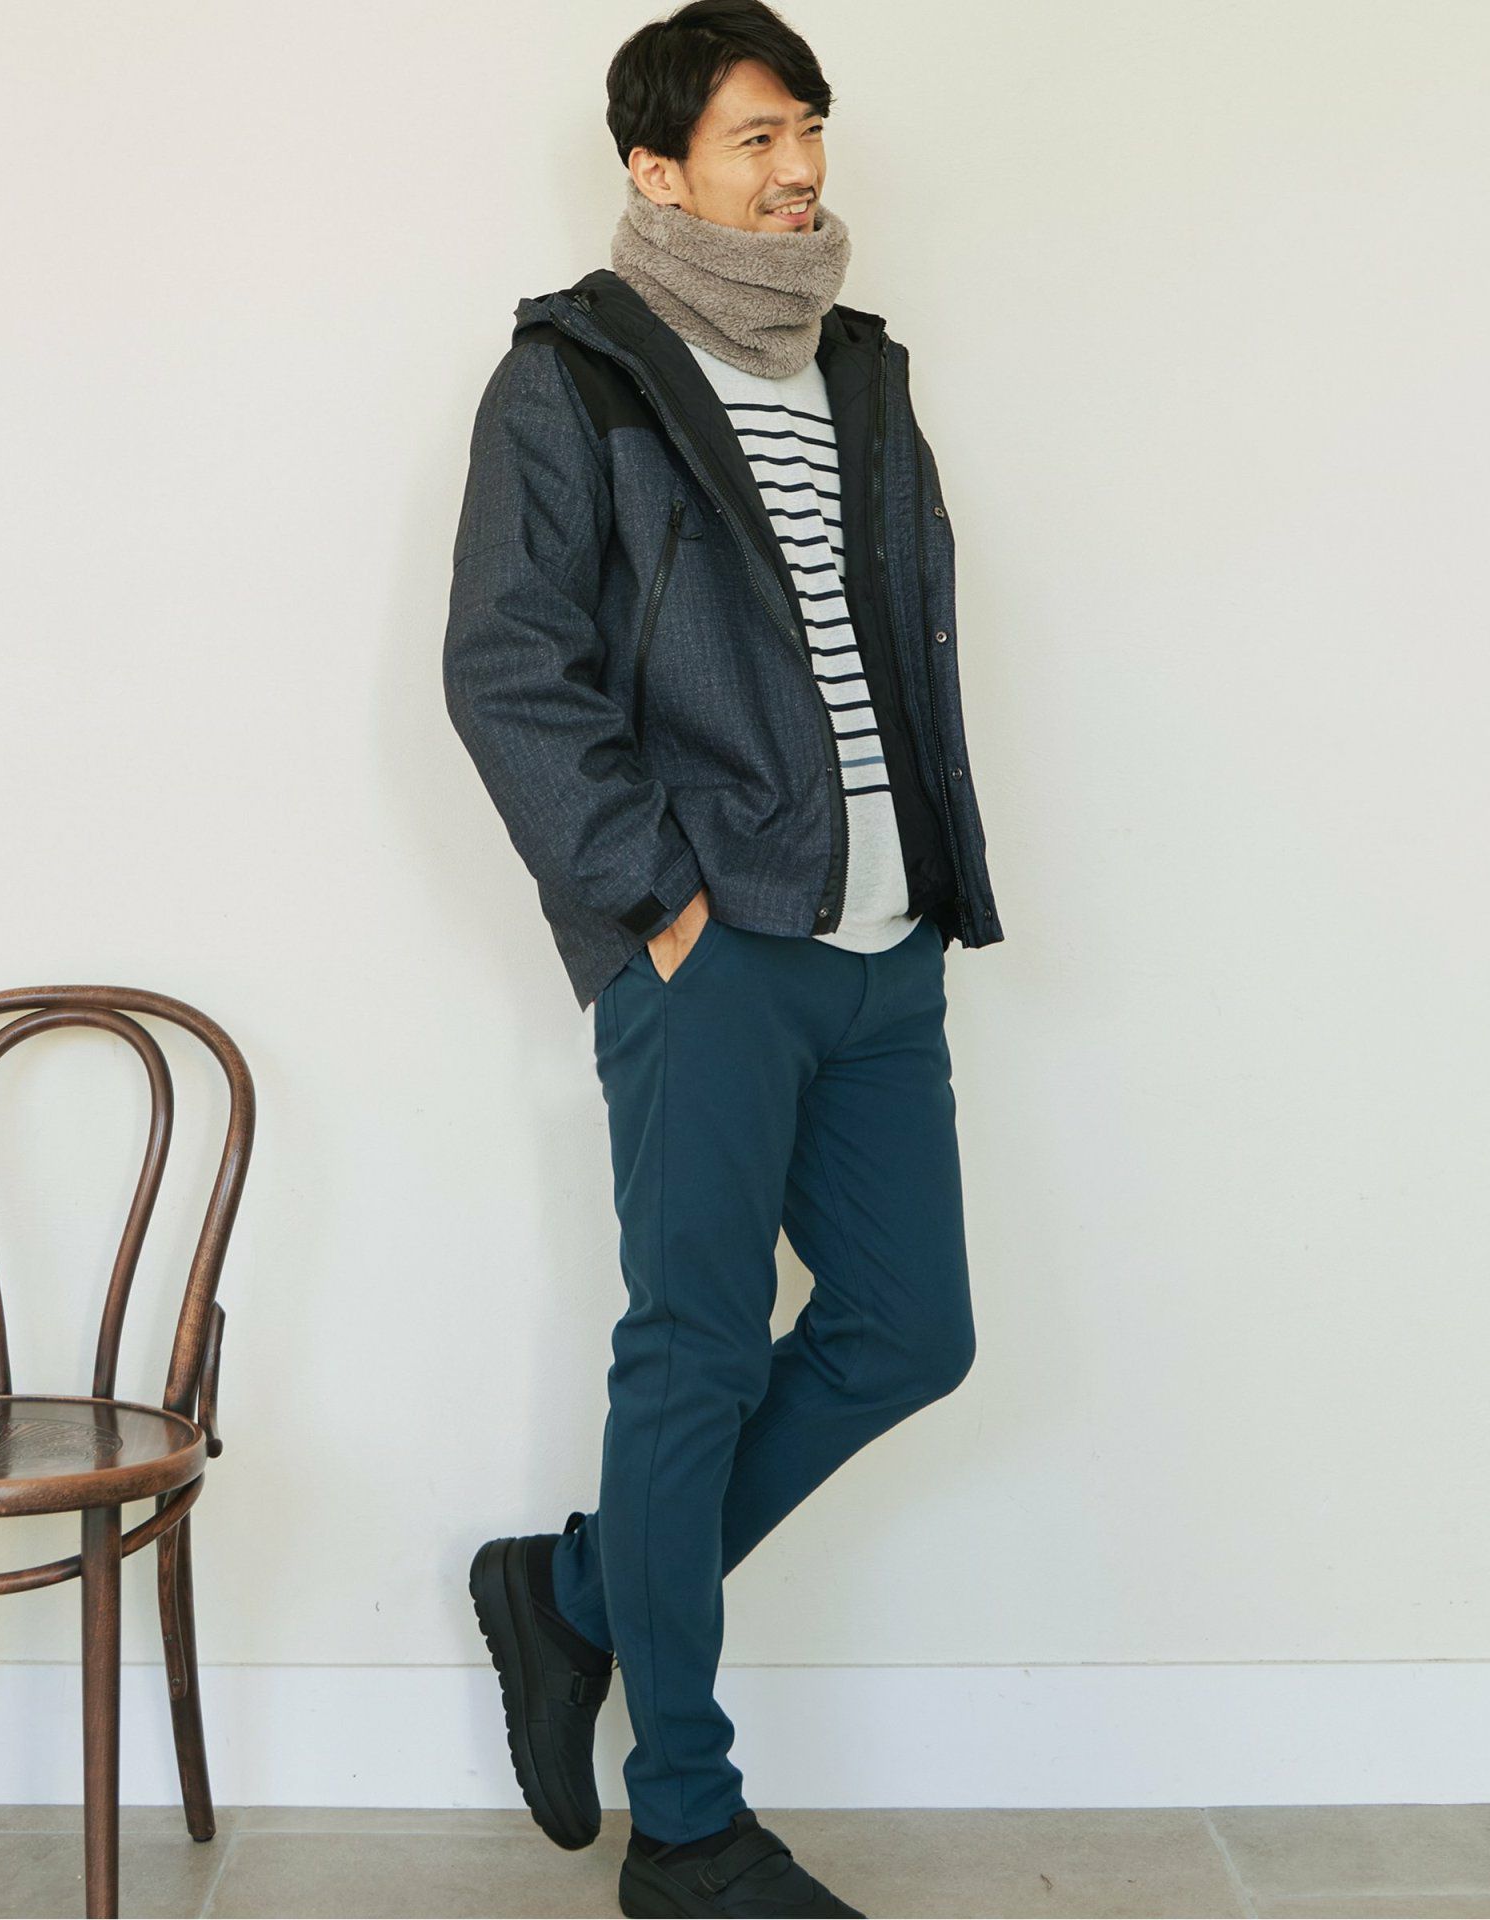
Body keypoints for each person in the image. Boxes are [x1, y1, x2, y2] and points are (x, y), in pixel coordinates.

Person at [443, 4, 1004, 1912]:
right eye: (756, 137)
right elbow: (507, 665)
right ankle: (686, 1825)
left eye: (809, 128)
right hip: (712, 950)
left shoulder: (859, 367)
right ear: (656, 169)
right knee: (688, 1357)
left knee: (910, 1329)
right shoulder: (574, 376)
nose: (799, 168)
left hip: (885, 947)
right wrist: (654, 900)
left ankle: (575, 1593)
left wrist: (927, 883)